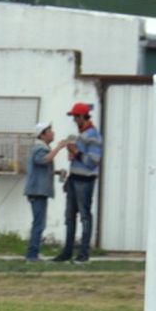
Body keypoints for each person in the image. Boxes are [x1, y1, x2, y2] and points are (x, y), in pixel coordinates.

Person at [54, 102, 101, 264]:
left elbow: (93, 161)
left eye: (75, 116)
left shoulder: (92, 135)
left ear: (82, 116)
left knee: (85, 216)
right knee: (70, 217)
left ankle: (84, 253)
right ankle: (67, 252)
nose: (74, 120)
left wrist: (76, 152)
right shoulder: (82, 134)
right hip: (75, 178)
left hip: (85, 181)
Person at [24, 121, 64, 262]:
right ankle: (32, 255)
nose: (53, 133)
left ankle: (34, 252)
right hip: (37, 191)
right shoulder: (40, 148)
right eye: (50, 130)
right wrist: (58, 148)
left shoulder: (43, 147)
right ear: (42, 134)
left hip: (39, 191)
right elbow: (41, 161)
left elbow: (41, 168)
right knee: (39, 223)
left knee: (40, 223)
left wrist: (55, 172)